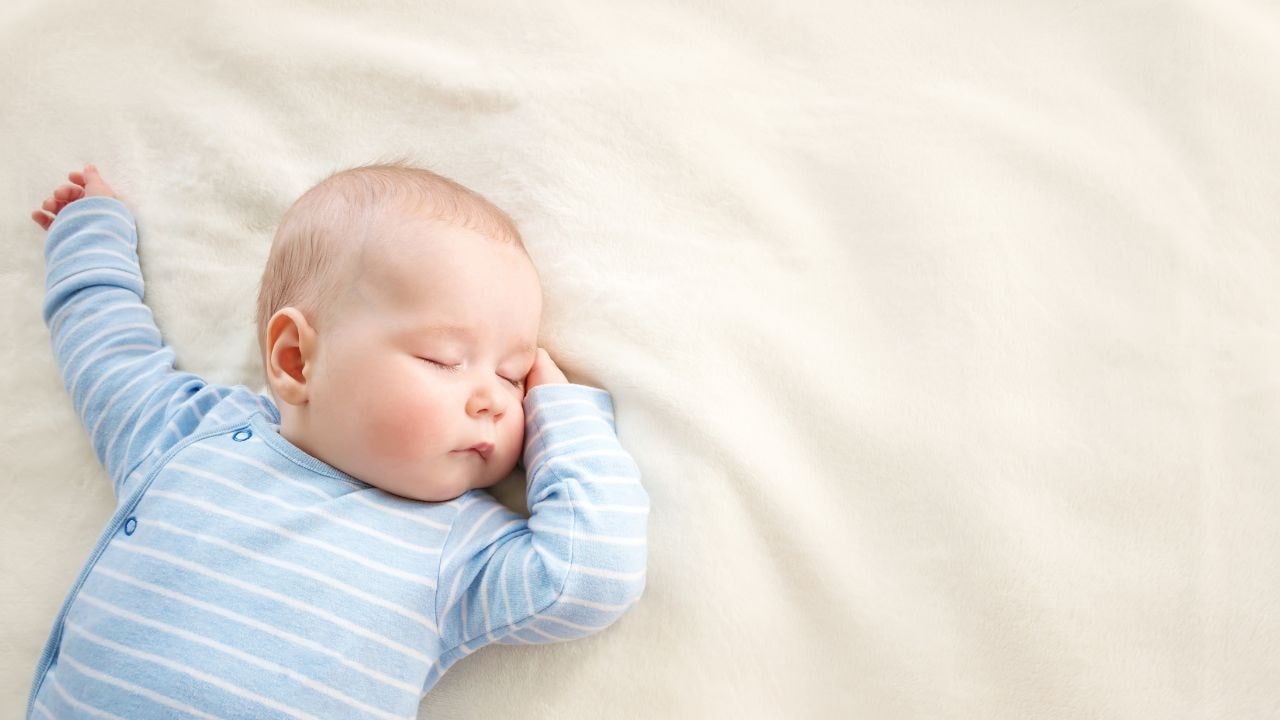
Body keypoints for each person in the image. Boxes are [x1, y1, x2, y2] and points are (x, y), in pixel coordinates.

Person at [26, 163, 649, 719]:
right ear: (296, 359)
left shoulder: (459, 550)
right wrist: (90, 234)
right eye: (443, 358)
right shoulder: (187, 434)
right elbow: (106, 353)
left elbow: (589, 577)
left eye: (512, 376)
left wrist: (560, 415)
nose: (492, 397)